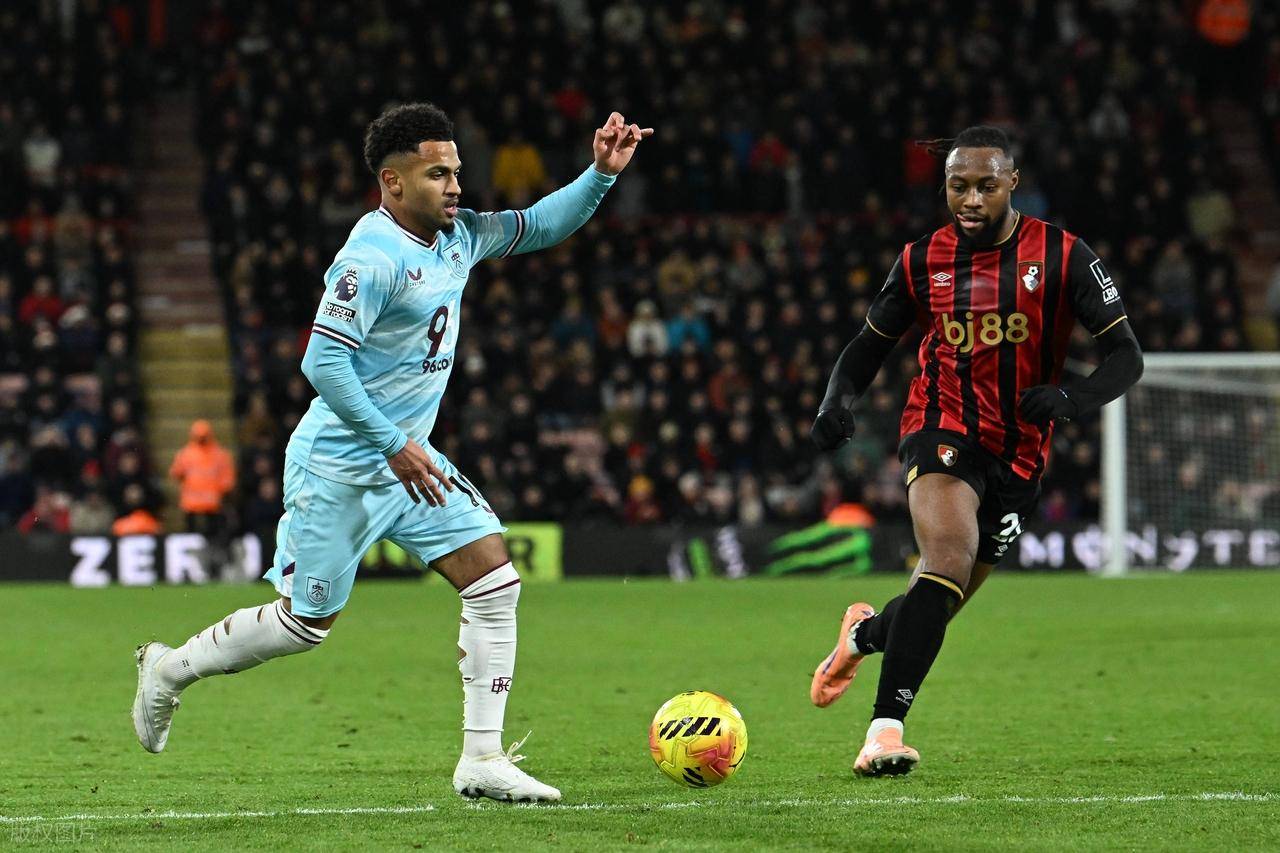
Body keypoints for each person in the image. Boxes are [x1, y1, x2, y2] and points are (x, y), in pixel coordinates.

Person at [133, 103, 652, 803]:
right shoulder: (370, 258)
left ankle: (482, 757)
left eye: (456, 172)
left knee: (494, 580)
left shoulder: (459, 237)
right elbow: (322, 362)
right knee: (303, 625)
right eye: (438, 174)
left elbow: (539, 225)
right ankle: (168, 670)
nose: (456, 186)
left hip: (410, 462)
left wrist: (601, 174)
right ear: (393, 181)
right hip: (342, 466)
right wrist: (392, 444)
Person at [808, 126, 1144, 776]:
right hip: (942, 425)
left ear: (1013, 182)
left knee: (939, 599)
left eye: (986, 186)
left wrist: (1071, 398)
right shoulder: (920, 260)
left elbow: (1125, 356)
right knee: (945, 560)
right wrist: (835, 400)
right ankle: (883, 733)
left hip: (1019, 457)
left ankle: (860, 636)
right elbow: (868, 345)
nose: (970, 199)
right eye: (958, 186)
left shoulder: (1064, 255)